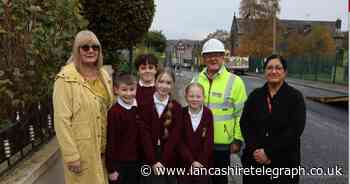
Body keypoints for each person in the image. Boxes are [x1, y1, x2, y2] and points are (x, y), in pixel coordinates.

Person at [53, 30, 114, 184]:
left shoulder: (104, 75)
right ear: (77, 50)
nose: (91, 50)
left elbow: (108, 109)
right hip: (82, 153)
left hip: (104, 150)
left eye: (95, 47)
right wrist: (71, 155)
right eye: (85, 47)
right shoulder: (65, 79)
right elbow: (61, 121)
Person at [240, 54, 306, 184]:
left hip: (284, 163)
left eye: (278, 68)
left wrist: (269, 153)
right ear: (265, 72)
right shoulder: (255, 96)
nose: (273, 71)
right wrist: (256, 151)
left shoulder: (295, 97)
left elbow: (295, 130)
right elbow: (245, 124)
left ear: (285, 72)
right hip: (255, 162)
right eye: (269, 68)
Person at [193, 38, 247, 184]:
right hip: (199, 140)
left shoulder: (235, 82)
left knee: (219, 179)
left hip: (222, 143)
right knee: (199, 179)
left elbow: (241, 114)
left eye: (217, 54)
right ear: (204, 58)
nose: (213, 58)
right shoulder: (196, 80)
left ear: (223, 57)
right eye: (209, 55)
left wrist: (237, 139)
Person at [139, 68, 183, 184]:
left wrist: (162, 161)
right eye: (161, 81)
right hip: (148, 157)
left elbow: (175, 137)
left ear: (173, 85)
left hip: (168, 158)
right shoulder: (145, 104)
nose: (164, 86)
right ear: (155, 82)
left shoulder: (177, 108)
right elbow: (144, 135)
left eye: (168, 83)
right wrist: (153, 161)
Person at [105, 73, 141, 184]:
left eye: (132, 89)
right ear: (116, 90)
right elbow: (111, 141)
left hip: (136, 162)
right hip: (119, 164)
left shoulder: (137, 108)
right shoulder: (114, 112)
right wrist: (111, 169)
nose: (129, 93)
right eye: (124, 90)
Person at [178, 83, 213, 184]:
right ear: (186, 97)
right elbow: (179, 141)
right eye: (191, 96)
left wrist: (199, 162)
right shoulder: (181, 113)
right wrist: (191, 161)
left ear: (204, 97)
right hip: (185, 162)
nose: (195, 99)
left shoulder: (208, 114)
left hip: (203, 163)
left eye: (198, 96)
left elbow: (209, 141)